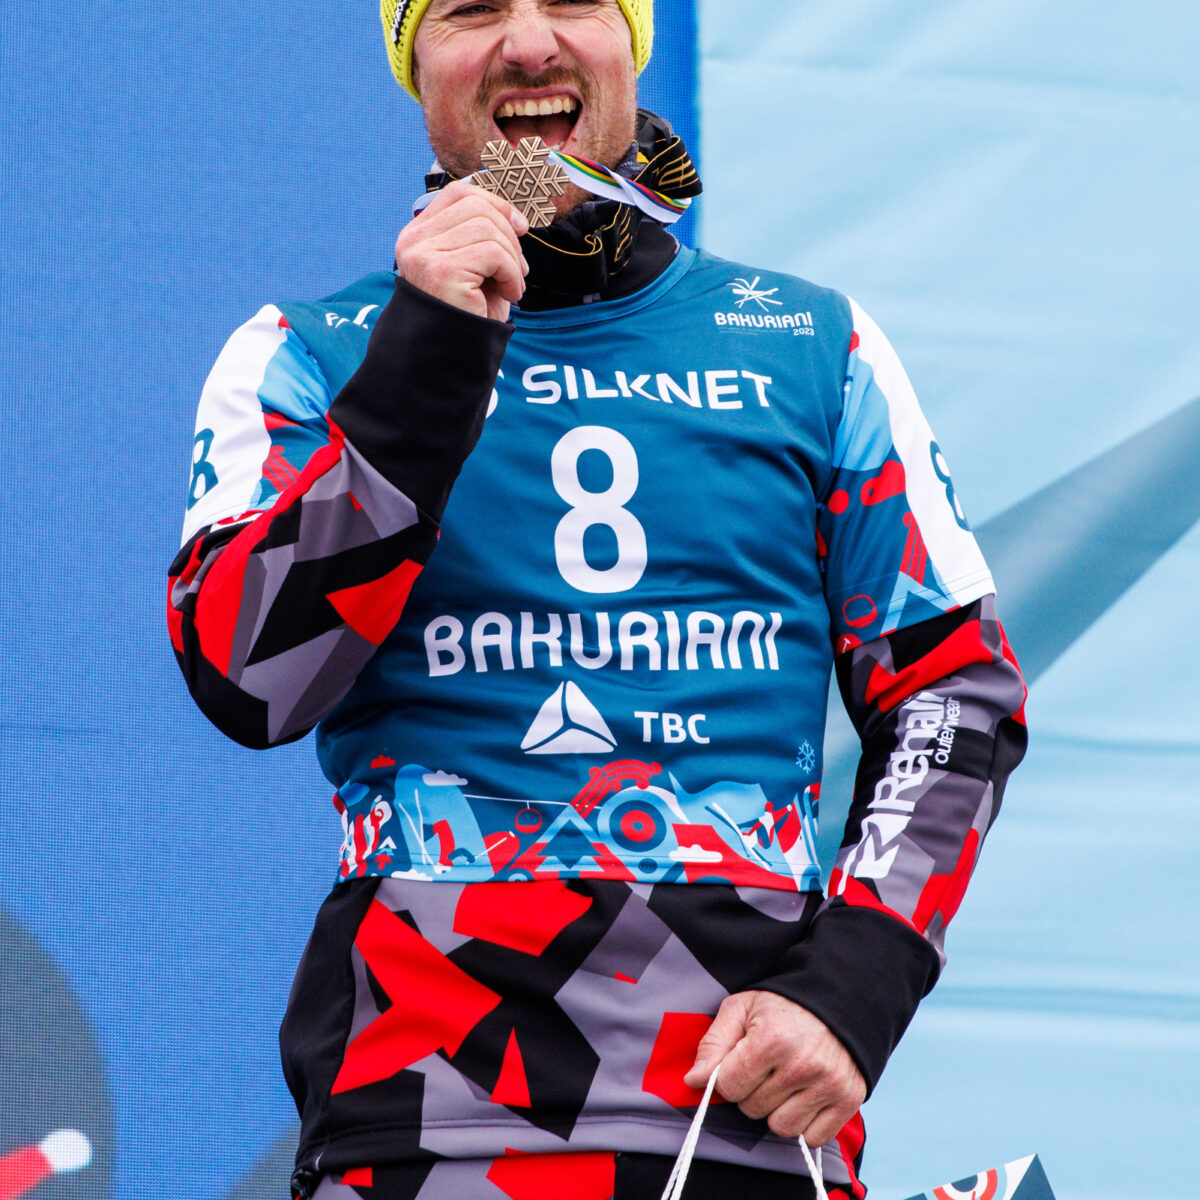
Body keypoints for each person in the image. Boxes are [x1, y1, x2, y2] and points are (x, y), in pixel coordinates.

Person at [168, 2, 1027, 1197]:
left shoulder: (812, 345)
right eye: (471, 10)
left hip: (740, 1116)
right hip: (420, 1123)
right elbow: (249, 679)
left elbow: (955, 695)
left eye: (573, 1)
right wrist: (424, 363)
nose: (529, 45)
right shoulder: (309, 352)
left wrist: (852, 991)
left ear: (634, 41)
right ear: (416, 65)